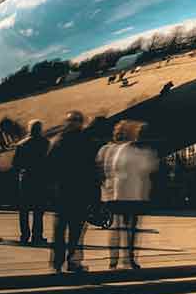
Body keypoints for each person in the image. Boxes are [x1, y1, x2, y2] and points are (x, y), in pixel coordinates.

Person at [97, 121, 159, 269]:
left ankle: (124, 259)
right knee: (122, 226)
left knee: (125, 227)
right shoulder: (119, 149)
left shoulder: (131, 149)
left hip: (130, 192)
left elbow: (147, 168)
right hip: (121, 193)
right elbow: (113, 169)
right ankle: (119, 259)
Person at [47, 110, 97, 273]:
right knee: (75, 231)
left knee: (60, 229)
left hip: (62, 191)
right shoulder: (85, 141)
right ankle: (72, 261)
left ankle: (57, 263)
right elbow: (92, 169)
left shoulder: (57, 141)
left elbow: (48, 168)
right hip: (78, 191)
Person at [14, 120, 50, 246]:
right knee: (38, 209)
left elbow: (16, 164)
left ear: (29, 129)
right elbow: (48, 162)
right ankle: (37, 236)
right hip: (40, 178)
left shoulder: (21, 144)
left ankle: (24, 235)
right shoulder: (45, 143)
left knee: (24, 209)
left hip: (25, 178)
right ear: (40, 129)